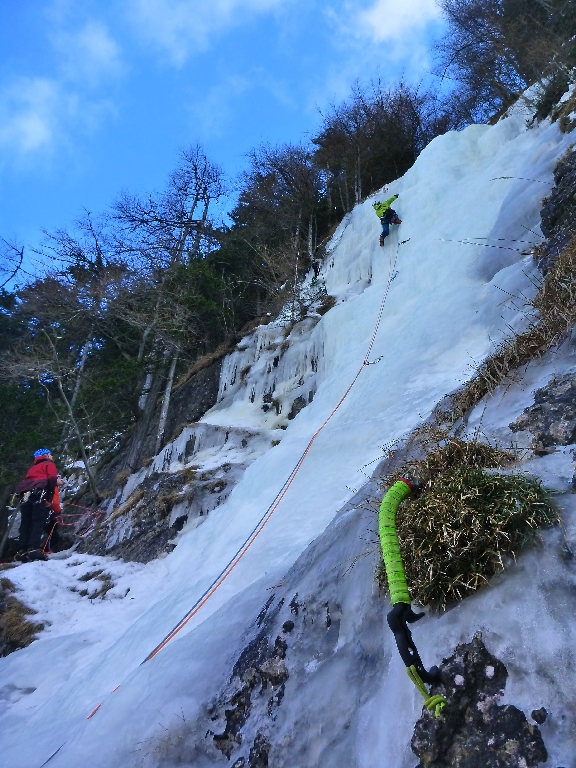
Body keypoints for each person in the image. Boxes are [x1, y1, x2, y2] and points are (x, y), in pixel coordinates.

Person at [15, 449, 60, 561]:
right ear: (46, 455)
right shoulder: (49, 464)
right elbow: (52, 479)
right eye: (50, 454)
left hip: (25, 495)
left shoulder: (32, 468)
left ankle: (23, 550)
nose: (52, 456)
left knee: (26, 522)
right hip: (39, 493)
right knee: (39, 520)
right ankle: (33, 549)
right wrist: (49, 498)